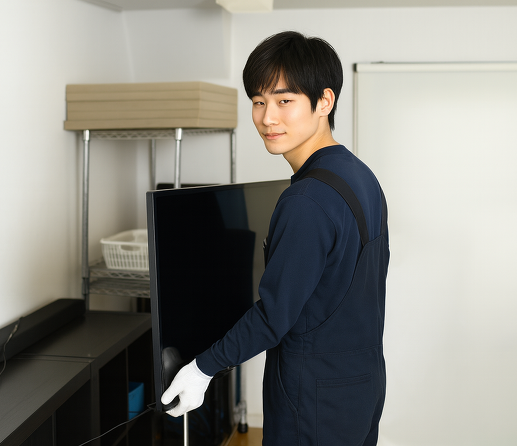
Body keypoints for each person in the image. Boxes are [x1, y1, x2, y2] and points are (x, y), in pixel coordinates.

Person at [161, 30, 389, 446]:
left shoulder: (306, 200)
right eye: (258, 101)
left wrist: (201, 369)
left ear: (324, 101)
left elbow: (274, 316)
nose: (268, 118)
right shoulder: (360, 175)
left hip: (314, 397)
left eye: (284, 101)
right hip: (360, 385)